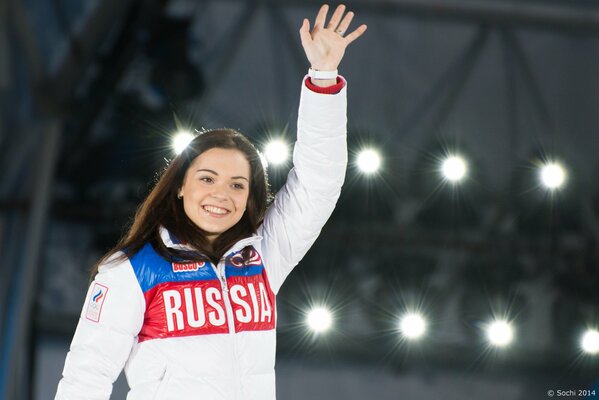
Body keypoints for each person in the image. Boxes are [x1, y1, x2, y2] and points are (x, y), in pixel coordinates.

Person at [55, 4, 366, 399]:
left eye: (238, 185)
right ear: (180, 186)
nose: (222, 194)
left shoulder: (263, 255)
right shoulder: (133, 270)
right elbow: (87, 377)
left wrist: (323, 77)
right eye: (207, 178)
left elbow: (317, 184)